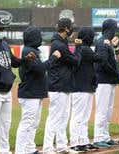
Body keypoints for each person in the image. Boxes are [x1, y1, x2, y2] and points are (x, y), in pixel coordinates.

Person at [0, 17, 35, 154]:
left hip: (6, 91)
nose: (2, 31)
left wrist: (25, 60)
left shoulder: (4, 44)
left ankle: (5, 151)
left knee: (5, 125)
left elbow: (13, 62)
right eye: (0, 28)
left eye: (4, 29)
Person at [15, 26, 61, 154]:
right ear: (33, 38)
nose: (40, 38)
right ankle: (20, 151)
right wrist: (54, 58)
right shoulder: (28, 51)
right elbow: (40, 68)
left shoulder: (32, 50)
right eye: (38, 36)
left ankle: (29, 149)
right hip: (30, 93)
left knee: (33, 123)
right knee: (27, 123)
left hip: (35, 92)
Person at [43, 18, 81, 153]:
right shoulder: (59, 44)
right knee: (54, 117)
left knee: (63, 117)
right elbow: (75, 61)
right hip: (58, 85)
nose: (72, 30)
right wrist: (78, 48)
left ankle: (61, 146)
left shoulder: (61, 42)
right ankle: (47, 148)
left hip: (63, 84)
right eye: (70, 27)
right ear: (66, 29)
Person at [69, 27, 103, 152]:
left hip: (86, 87)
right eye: (92, 36)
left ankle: (83, 141)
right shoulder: (85, 49)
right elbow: (100, 58)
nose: (93, 38)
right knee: (78, 117)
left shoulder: (82, 48)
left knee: (84, 117)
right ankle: (74, 142)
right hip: (80, 87)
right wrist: (104, 45)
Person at [93, 19, 119, 148]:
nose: (115, 31)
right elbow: (103, 63)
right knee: (102, 110)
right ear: (109, 28)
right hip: (103, 80)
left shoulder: (108, 42)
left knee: (108, 110)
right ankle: (98, 137)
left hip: (109, 81)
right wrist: (115, 73)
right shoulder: (102, 41)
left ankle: (105, 136)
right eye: (114, 28)